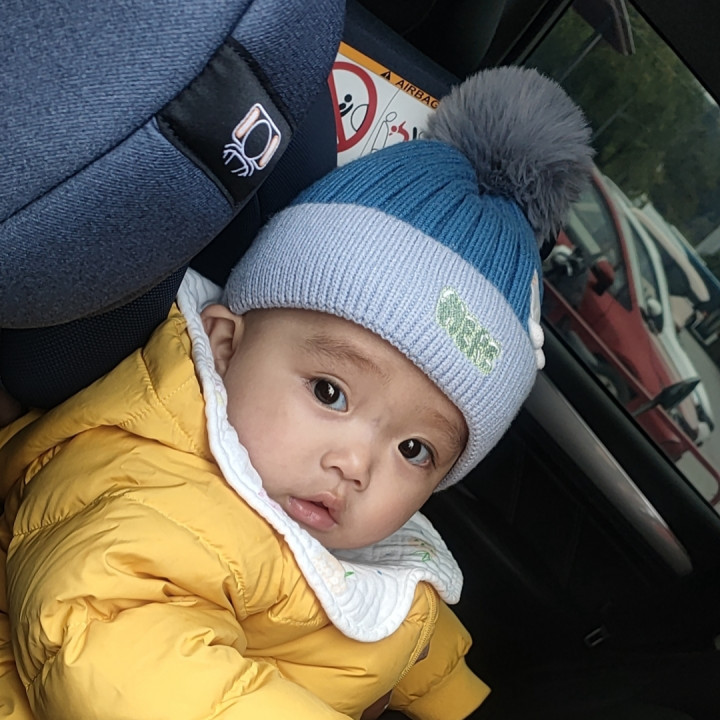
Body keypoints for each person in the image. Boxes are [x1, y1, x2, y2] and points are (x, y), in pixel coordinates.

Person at [0, 66, 592, 719]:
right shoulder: (152, 489)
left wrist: (459, 701)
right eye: (330, 393)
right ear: (224, 344)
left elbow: (397, 617)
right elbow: (118, 661)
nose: (356, 464)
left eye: (415, 450)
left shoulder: (322, 512)